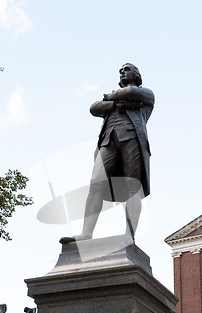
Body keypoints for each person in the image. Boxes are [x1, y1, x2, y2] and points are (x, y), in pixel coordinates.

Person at [60, 63, 155, 244]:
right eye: (120, 70)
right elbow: (94, 108)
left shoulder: (146, 94)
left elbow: (131, 93)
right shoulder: (113, 103)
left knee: (133, 187)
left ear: (136, 74)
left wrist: (112, 96)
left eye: (126, 69)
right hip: (108, 141)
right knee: (96, 182)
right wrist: (114, 103)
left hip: (132, 138)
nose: (122, 72)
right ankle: (86, 234)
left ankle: (129, 234)